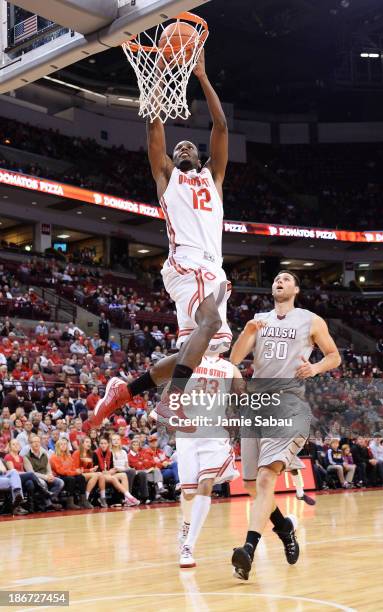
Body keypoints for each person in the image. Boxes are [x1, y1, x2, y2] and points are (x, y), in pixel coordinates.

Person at [87, 49, 231, 430]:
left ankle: (125, 391)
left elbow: (221, 127)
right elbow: (154, 130)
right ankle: (173, 400)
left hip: (212, 270)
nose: (182, 148)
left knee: (196, 349)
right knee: (211, 324)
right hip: (187, 261)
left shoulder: (213, 179)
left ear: (199, 158)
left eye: (189, 147)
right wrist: (158, 78)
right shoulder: (168, 177)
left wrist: (201, 76)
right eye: (177, 147)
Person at [228, 270, 341, 580]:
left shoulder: (310, 320)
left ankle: (248, 548)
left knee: (266, 478)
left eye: (287, 278)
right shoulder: (259, 319)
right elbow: (234, 359)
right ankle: (284, 526)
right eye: (276, 278)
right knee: (251, 484)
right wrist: (246, 331)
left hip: (288, 402)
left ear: (296, 289)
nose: (280, 280)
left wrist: (315, 367)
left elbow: (334, 356)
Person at [176, 351, 241, 568]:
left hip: (214, 432)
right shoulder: (188, 357)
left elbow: (243, 395)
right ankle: (186, 524)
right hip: (187, 431)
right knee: (189, 491)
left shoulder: (230, 368)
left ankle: (189, 546)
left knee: (206, 484)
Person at [93, 438, 139, 507]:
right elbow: (96, 469)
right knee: (113, 479)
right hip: (100, 475)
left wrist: (111, 471)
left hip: (108, 474)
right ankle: (131, 497)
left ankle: (127, 500)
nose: (103, 445)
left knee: (123, 475)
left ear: (108, 444)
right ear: (99, 445)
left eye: (105, 443)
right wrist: (108, 472)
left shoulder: (110, 453)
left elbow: (111, 467)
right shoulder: (95, 453)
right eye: (101, 443)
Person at [50, 438, 88, 510]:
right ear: (58, 446)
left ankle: (83, 500)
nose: (64, 446)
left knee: (81, 477)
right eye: (61, 444)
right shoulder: (54, 457)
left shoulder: (68, 455)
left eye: (65, 444)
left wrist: (78, 471)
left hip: (69, 474)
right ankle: (69, 503)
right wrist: (74, 472)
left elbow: (73, 467)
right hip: (59, 476)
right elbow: (60, 471)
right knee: (71, 479)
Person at [72, 437, 106, 508]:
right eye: (87, 442)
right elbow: (75, 469)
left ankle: (103, 497)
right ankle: (85, 499)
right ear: (82, 444)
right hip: (77, 474)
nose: (89, 444)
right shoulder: (76, 453)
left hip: (86, 473)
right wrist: (89, 470)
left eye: (90, 442)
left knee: (101, 475)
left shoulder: (90, 453)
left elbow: (90, 468)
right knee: (96, 475)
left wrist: (93, 469)